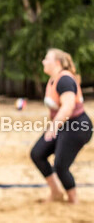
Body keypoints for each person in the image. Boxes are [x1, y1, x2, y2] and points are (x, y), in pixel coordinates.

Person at [30, 48, 91, 204]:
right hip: (65, 125)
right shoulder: (53, 80)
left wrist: (53, 127)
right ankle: (56, 191)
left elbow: (68, 107)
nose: (43, 61)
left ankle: (73, 200)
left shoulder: (64, 80)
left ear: (56, 63)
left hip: (78, 126)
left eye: (46, 58)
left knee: (60, 166)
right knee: (37, 153)